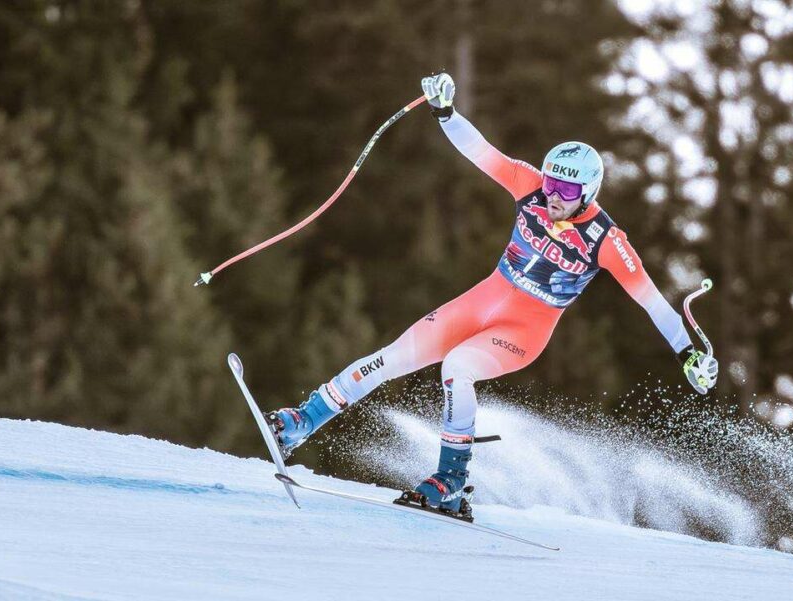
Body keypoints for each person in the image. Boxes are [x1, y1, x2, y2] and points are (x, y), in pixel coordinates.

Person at [268, 73, 719, 517]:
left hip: (523, 331)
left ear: (587, 194)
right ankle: (302, 422)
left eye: (564, 190)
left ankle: (450, 480)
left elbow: (654, 304)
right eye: (549, 184)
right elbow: (482, 152)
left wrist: (686, 354)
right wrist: (445, 113)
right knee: (390, 358)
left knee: (457, 368)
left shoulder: (607, 240)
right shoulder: (530, 187)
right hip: (480, 302)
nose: (552, 196)